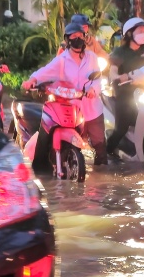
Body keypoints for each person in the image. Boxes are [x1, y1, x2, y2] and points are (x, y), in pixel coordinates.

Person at [23, 23, 108, 168]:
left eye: (80, 36)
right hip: (72, 106)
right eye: (74, 37)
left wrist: (94, 89)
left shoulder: (92, 57)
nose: (78, 39)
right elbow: (45, 71)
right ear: (68, 40)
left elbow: (98, 78)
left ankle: (102, 173)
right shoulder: (62, 60)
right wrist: (33, 80)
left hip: (92, 107)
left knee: (99, 144)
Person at [107, 17, 144, 157]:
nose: (143, 33)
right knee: (121, 128)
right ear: (130, 34)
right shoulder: (120, 52)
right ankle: (106, 152)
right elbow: (113, 71)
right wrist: (117, 77)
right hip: (126, 94)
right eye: (140, 31)